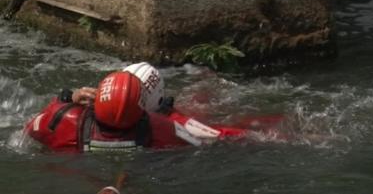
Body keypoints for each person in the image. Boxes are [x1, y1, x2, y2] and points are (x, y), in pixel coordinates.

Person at [22, 62, 285, 153]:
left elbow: (30, 129)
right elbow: (215, 137)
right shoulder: (164, 128)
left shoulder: (60, 119)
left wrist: (69, 97)